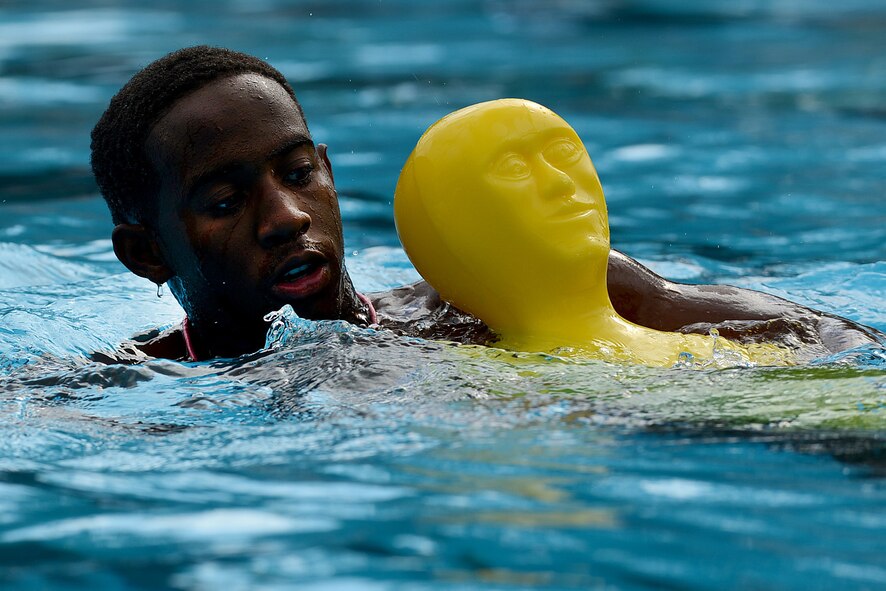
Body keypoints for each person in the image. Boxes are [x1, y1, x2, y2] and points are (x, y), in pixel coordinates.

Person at [90, 46, 882, 362]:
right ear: (147, 253)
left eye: (298, 173)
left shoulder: (485, 304)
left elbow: (828, 341)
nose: (286, 216)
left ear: (328, 172)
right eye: (226, 201)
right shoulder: (134, 392)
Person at [394, 98, 795, 366]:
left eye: (562, 153)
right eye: (515, 170)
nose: (560, 183)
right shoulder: (471, 386)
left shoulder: (732, 343)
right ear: (458, 226)